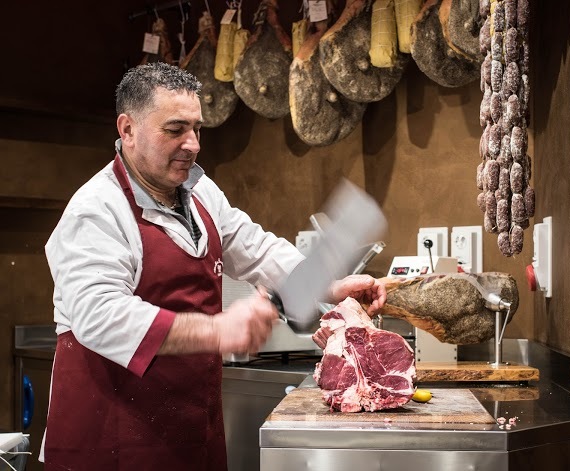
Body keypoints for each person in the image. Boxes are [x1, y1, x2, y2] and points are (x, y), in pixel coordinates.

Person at [41, 62, 386, 470]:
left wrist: (327, 286)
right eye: (175, 129)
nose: (193, 144)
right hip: (110, 445)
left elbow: (257, 250)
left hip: (190, 435)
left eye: (197, 129)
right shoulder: (96, 211)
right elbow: (98, 316)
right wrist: (219, 328)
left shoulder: (200, 191)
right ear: (127, 130)